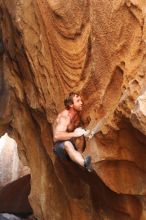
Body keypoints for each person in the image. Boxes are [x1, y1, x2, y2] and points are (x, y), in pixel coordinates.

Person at [53, 92, 92, 171]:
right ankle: (83, 163)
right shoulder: (65, 117)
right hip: (60, 149)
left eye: (81, 100)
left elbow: (78, 132)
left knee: (79, 131)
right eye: (78, 101)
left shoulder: (77, 115)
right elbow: (56, 137)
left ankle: (81, 160)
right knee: (68, 143)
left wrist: (86, 133)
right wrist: (74, 134)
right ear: (71, 104)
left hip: (73, 148)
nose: (81, 103)